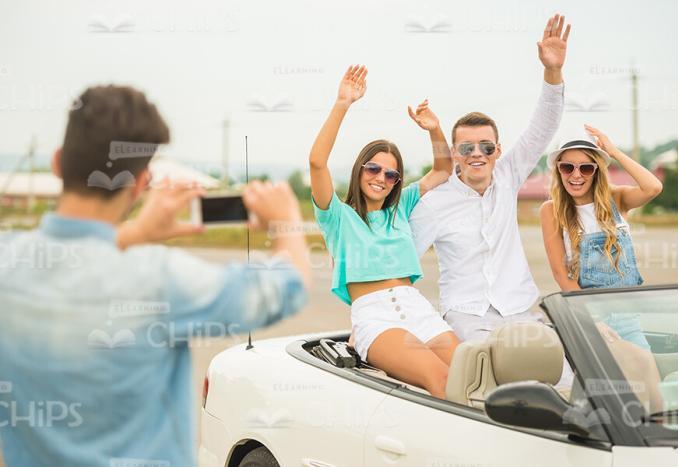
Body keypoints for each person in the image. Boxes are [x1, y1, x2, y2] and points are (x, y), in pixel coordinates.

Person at [0, 85, 310, 467]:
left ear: (58, 163)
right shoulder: (160, 279)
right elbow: (287, 286)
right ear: (141, 183)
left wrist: (133, 234)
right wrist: (287, 220)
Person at [409, 14, 570, 346]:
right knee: (487, 382)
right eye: (467, 147)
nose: (476, 154)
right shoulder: (432, 204)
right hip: (467, 316)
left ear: (498, 150)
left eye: (485, 146)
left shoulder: (508, 175)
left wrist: (552, 71)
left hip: (521, 310)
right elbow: (403, 261)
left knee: (563, 376)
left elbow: (543, 127)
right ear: (454, 152)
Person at [310, 65, 459, 398]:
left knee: (472, 379)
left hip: (418, 308)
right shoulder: (337, 216)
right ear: (360, 170)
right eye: (373, 168)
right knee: (442, 381)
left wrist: (434, 129)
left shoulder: (401, 207)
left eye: (391, 174)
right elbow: (317, 162)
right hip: (376, 316)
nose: (381, 177)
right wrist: (342, 103)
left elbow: (444, 169)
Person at [540, 126, 664, 411]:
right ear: (558, 170)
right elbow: (561, 274)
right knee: (625, 398)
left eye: (586, 167)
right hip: (591, 317)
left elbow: (653, 187)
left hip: (628, 318)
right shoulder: (552, 210)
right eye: (568, 166)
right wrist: (591, 320)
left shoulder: (617, 199)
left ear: (597, 170)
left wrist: (613, 152)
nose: (576, 175)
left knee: (655, 404)